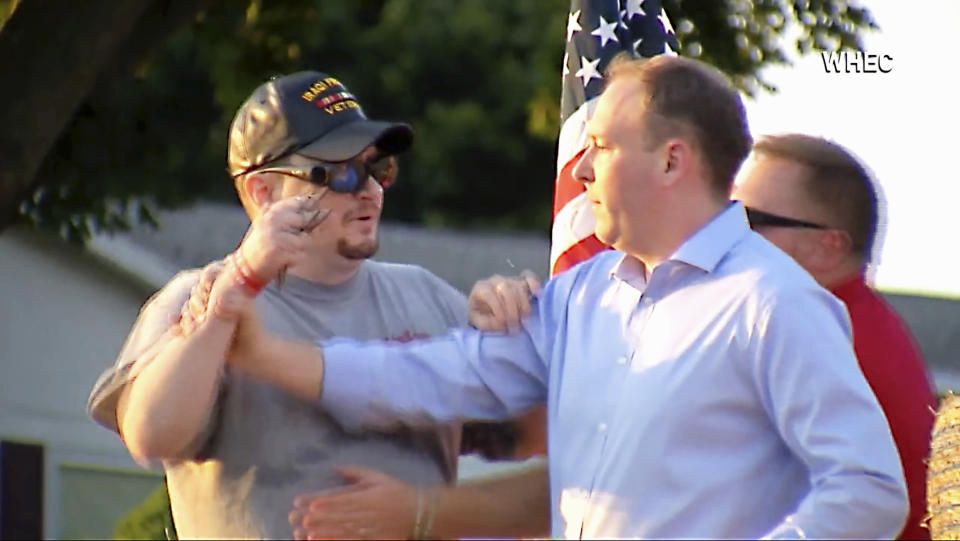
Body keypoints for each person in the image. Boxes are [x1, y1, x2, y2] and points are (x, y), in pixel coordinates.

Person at [204, 54, 909, 538]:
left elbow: (870, 490)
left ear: (671, 160)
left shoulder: (774, 302)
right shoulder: (583, 296)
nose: (579, 165)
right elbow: (440, 374)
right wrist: (264, 354)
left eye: (599, 144)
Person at [86, 70, 548, 539]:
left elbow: (540, 434)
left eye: (378, 169)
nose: (370, 190)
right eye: (340, 172)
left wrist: (513, 323)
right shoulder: (197, 296)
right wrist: (227, 306)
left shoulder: (427, 296)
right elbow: (150, 436)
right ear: (263, 193)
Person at [733, 133, 937, 540]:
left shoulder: (830, 341)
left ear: (827, 247)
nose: (727, 233)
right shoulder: (856, 325)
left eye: (749, 220)